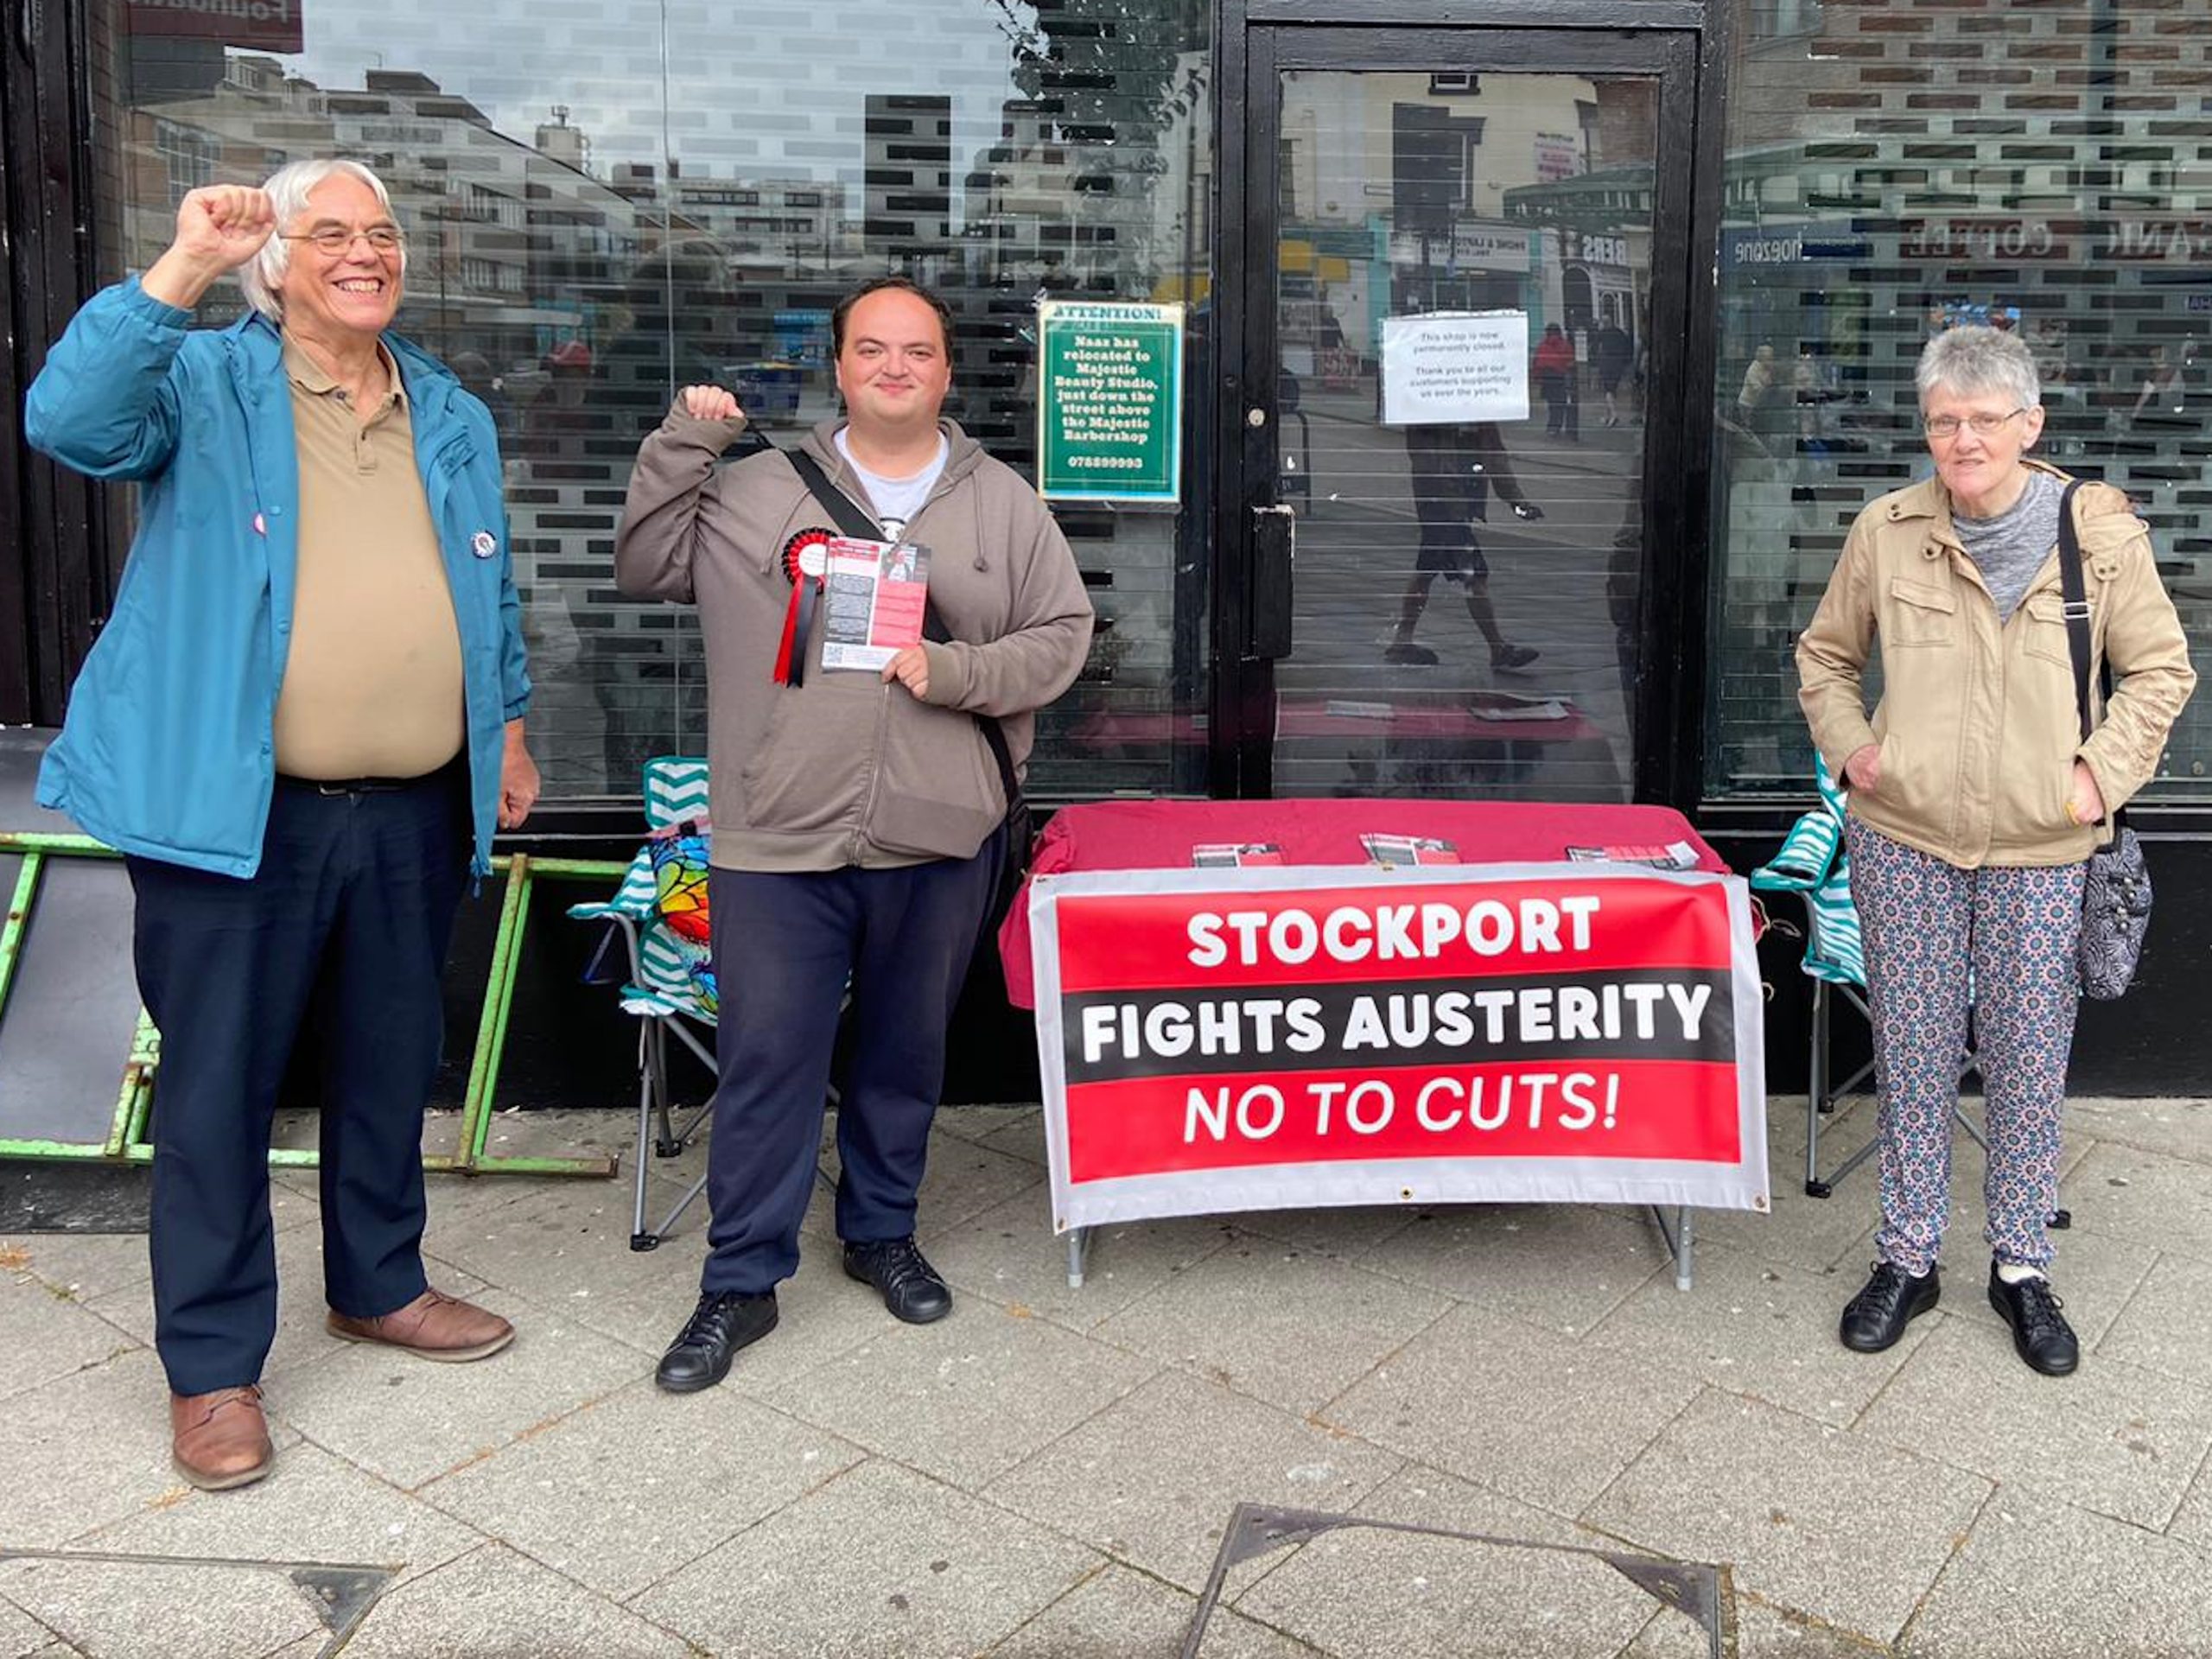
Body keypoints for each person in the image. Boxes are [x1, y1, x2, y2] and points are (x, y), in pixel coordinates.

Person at [22, 163, 539, 1490]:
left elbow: (490, 594)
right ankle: (211, 1370)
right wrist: (182, 265)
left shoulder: (452, 410)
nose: (364, 254)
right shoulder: (201, 380)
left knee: (387, 1059)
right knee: (215, 1093)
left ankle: (379, 1282)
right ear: (278, 262)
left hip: (416, 803)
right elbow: (69, 421)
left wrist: (513, 730)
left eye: (382, 234)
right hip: (235, 812)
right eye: (331, 235)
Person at [615, 275, 1093, 1392]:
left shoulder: (1003, 504)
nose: (894, 367)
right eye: (871, 349)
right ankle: (740, 1281)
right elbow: (643, 565)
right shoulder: (755, 492)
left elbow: (1065, 634)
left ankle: (881, 1231)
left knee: (901, 1054)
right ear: (838, 367)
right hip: (776, 834)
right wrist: (687, 439)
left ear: (946, 373)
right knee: (768, 1060)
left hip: (938, 833)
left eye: (916, 351)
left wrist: (963, 670)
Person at [1796, 325, 2194, 1377]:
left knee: (2025, 1063)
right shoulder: (1887, 530)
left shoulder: (2098, 536)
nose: (1961, 440)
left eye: (1982, 419)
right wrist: (1856, 754)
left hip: (2042, 848)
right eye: (1942, 420)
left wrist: (2093, 779)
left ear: (2029, 424)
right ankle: (1907, 1259)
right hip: (1905, 842)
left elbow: (2159, 674)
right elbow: (1826, 656)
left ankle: (2020, 1269)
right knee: (1915, 1056)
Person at [1386, 421, 1541, 672]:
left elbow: (1494, 457)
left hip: (1450, 504)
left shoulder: (1479, 414)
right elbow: (1422, 455)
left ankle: (1402, 641)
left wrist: (1516, 501)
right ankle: (1497, 648)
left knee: (1427, 571)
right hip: (1443, 505)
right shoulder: (1433, 410)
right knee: (1474, 575)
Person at [1533, 322, 1579, 438]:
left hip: (1546, 378)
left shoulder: (1542, 345)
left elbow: (1537, 362)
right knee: (1561, 403)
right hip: (1560, 377)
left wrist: (1537, 377)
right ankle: (1559, 426)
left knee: (1551, 403)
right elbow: (1570, 362)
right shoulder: (1565, 345)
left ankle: (1552, 426)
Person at [1592, 320, 1634, 428]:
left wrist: (1597, 362)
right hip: (1619, 364)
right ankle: (1609, 416)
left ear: (1604, 324)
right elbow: (1628, 348)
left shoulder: (1602, 334)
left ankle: (1614, 414)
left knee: (1608, 390)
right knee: (1612, 390)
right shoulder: (1620, 333)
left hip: (1607, 363)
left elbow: (1594, 347)